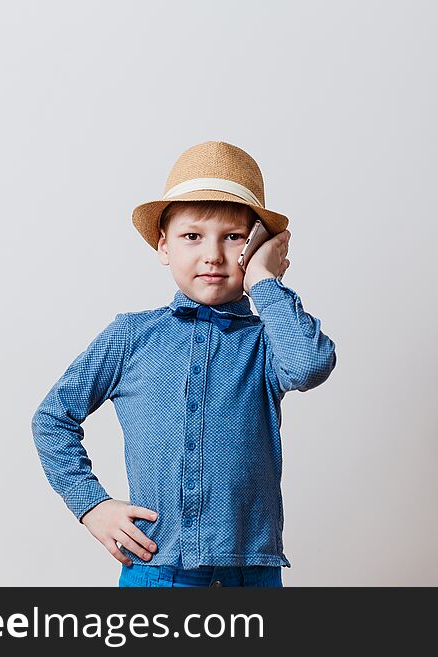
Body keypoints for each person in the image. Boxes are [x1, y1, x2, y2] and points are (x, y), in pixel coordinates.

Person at [31, 141, 337, 587]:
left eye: (234, 237)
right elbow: (52, 418)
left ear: (258, 247)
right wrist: (91, 505)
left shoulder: (268, 340)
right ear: (163, 246)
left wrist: (265, 282)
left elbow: (309, 366)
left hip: (250, 573)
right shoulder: (131, 337)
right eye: (192, 236)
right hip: (156, 569)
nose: (212, 253)